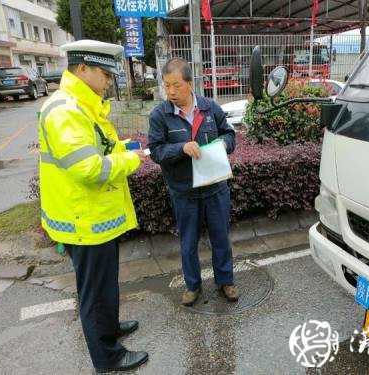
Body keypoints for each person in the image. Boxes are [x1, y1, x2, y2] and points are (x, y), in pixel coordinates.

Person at [38, 39, 149, 373]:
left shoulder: (85, 105)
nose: (108, 81)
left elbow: (101, 147)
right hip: (82, 220)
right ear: (82, 69)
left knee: (106, 282)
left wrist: (124, 147)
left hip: (95, 215)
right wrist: (131, 160)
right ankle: (108, 357)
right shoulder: (65, 111)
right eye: (103, 74)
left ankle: (110, 327)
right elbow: (89, 168)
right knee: (94, 291)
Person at [148, 58, 238, 306]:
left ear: (189, 83)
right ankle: (192, 286)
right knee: (188, 242)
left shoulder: (210, 108)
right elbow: (155, 151)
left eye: (176, 85)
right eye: (167, 86)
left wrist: (223, 145)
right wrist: (181, 148)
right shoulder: (160, 115)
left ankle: (225, 281)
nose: (171, 91)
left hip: (215, 188)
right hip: (183, 191)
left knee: (221, 237)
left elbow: (230, 134)